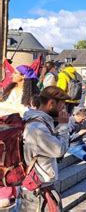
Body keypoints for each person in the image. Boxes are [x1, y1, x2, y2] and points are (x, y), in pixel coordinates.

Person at [19, 86, 71, 211]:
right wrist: (64, 126)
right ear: (51, 103)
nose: (62, 109)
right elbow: (59, 150)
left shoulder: (35, 121)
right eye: (61, 105)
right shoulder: (37, 128)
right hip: (37, 190)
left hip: (37, 187)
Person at [0, 65, 40, 208]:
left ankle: (9, 191)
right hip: (3, 123)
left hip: (17, 129)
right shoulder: (9, 89)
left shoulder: (31, 94)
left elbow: (27, 112)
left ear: (23, 76)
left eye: (15, 73)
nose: (12, 75)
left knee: (9, 157)